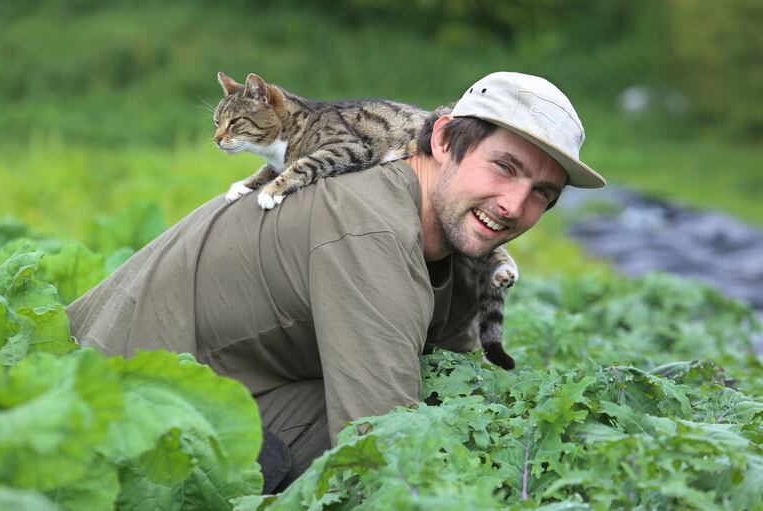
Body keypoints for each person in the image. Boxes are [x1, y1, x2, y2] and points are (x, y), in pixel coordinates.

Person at [66, 72, 605, 491]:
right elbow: (381, 447)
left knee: (433, 398)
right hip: (110, 404)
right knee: (380, 446)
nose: (515, 206)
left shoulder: (459, 232)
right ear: (442, 140)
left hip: (210, 382)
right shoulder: (369, 229)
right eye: (504, 167)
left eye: (543, 194)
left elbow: (456, 382)